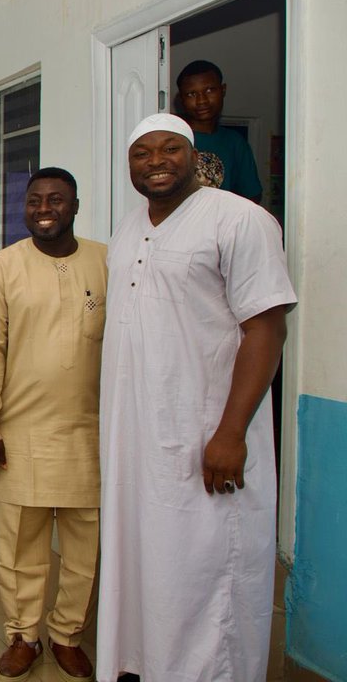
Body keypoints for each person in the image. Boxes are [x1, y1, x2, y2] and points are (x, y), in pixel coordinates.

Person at [96, 114, 295, 682]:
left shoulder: (240, 220)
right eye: (141, 152)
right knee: (153, 562)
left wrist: (231, 433)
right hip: (138, 440)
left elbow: (266, 329)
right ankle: (152, 663)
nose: (155, 161)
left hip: (206, 435)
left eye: (169, 149)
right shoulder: (130, 228)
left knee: (207, 565)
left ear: (195, 156)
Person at [0, 167, 105, 682]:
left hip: (88, 433)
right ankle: (23, 635)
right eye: (34, 201)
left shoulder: (105, 262)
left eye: (56, 199)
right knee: (19, 545)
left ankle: (67, 634)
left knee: (83, 547)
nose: (44, 208)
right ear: (24, 208)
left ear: (75, 205)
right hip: (18, 432)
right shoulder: (1, 268)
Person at [175, 59, 263, 201]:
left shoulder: (235, 142)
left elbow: (251, 196)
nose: (202, 100)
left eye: (209, 90)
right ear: (181, 99)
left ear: (223, 90)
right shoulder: (172, 139)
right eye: (192, 94)